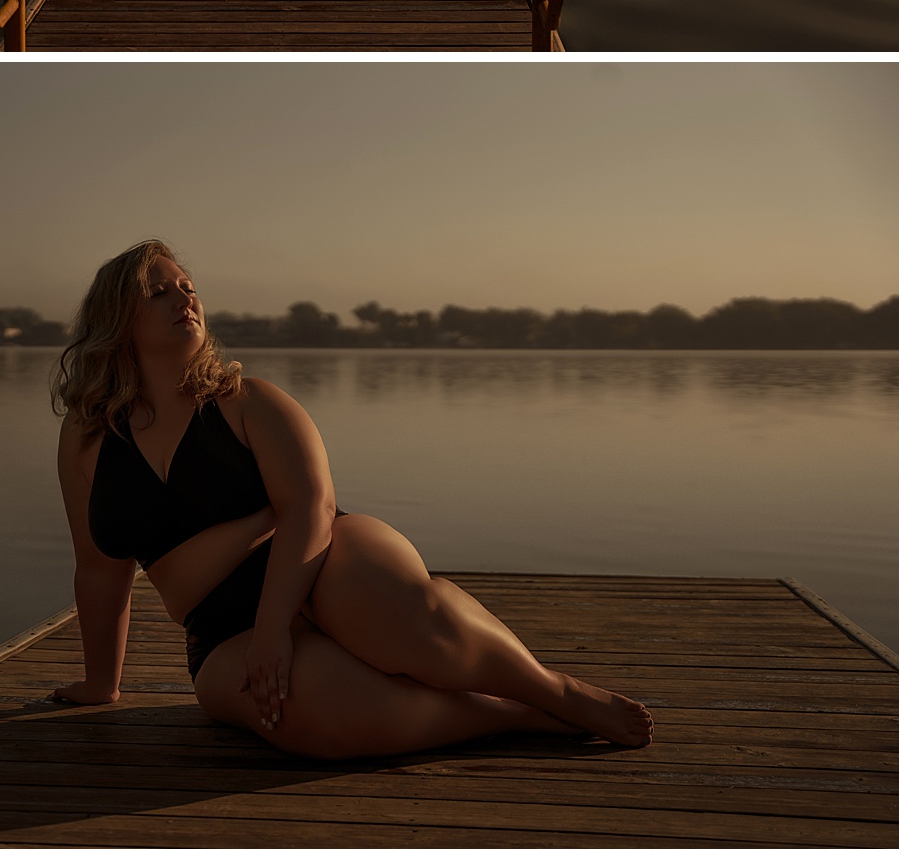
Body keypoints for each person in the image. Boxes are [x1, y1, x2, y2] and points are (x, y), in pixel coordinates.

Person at [51, 241, 653, 760]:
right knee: (314, 721)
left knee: (401, 617)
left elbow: (311, 509)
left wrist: (274, 630)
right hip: (220, 624)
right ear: (117, 317)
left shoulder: (247, 402)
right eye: (160, 291)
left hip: (325, 563)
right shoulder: (88, 437)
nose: (185, 299)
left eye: (188, 287)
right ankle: (505, 716)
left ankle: (553, 692)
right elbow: (100, 571)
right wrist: (102, 684)